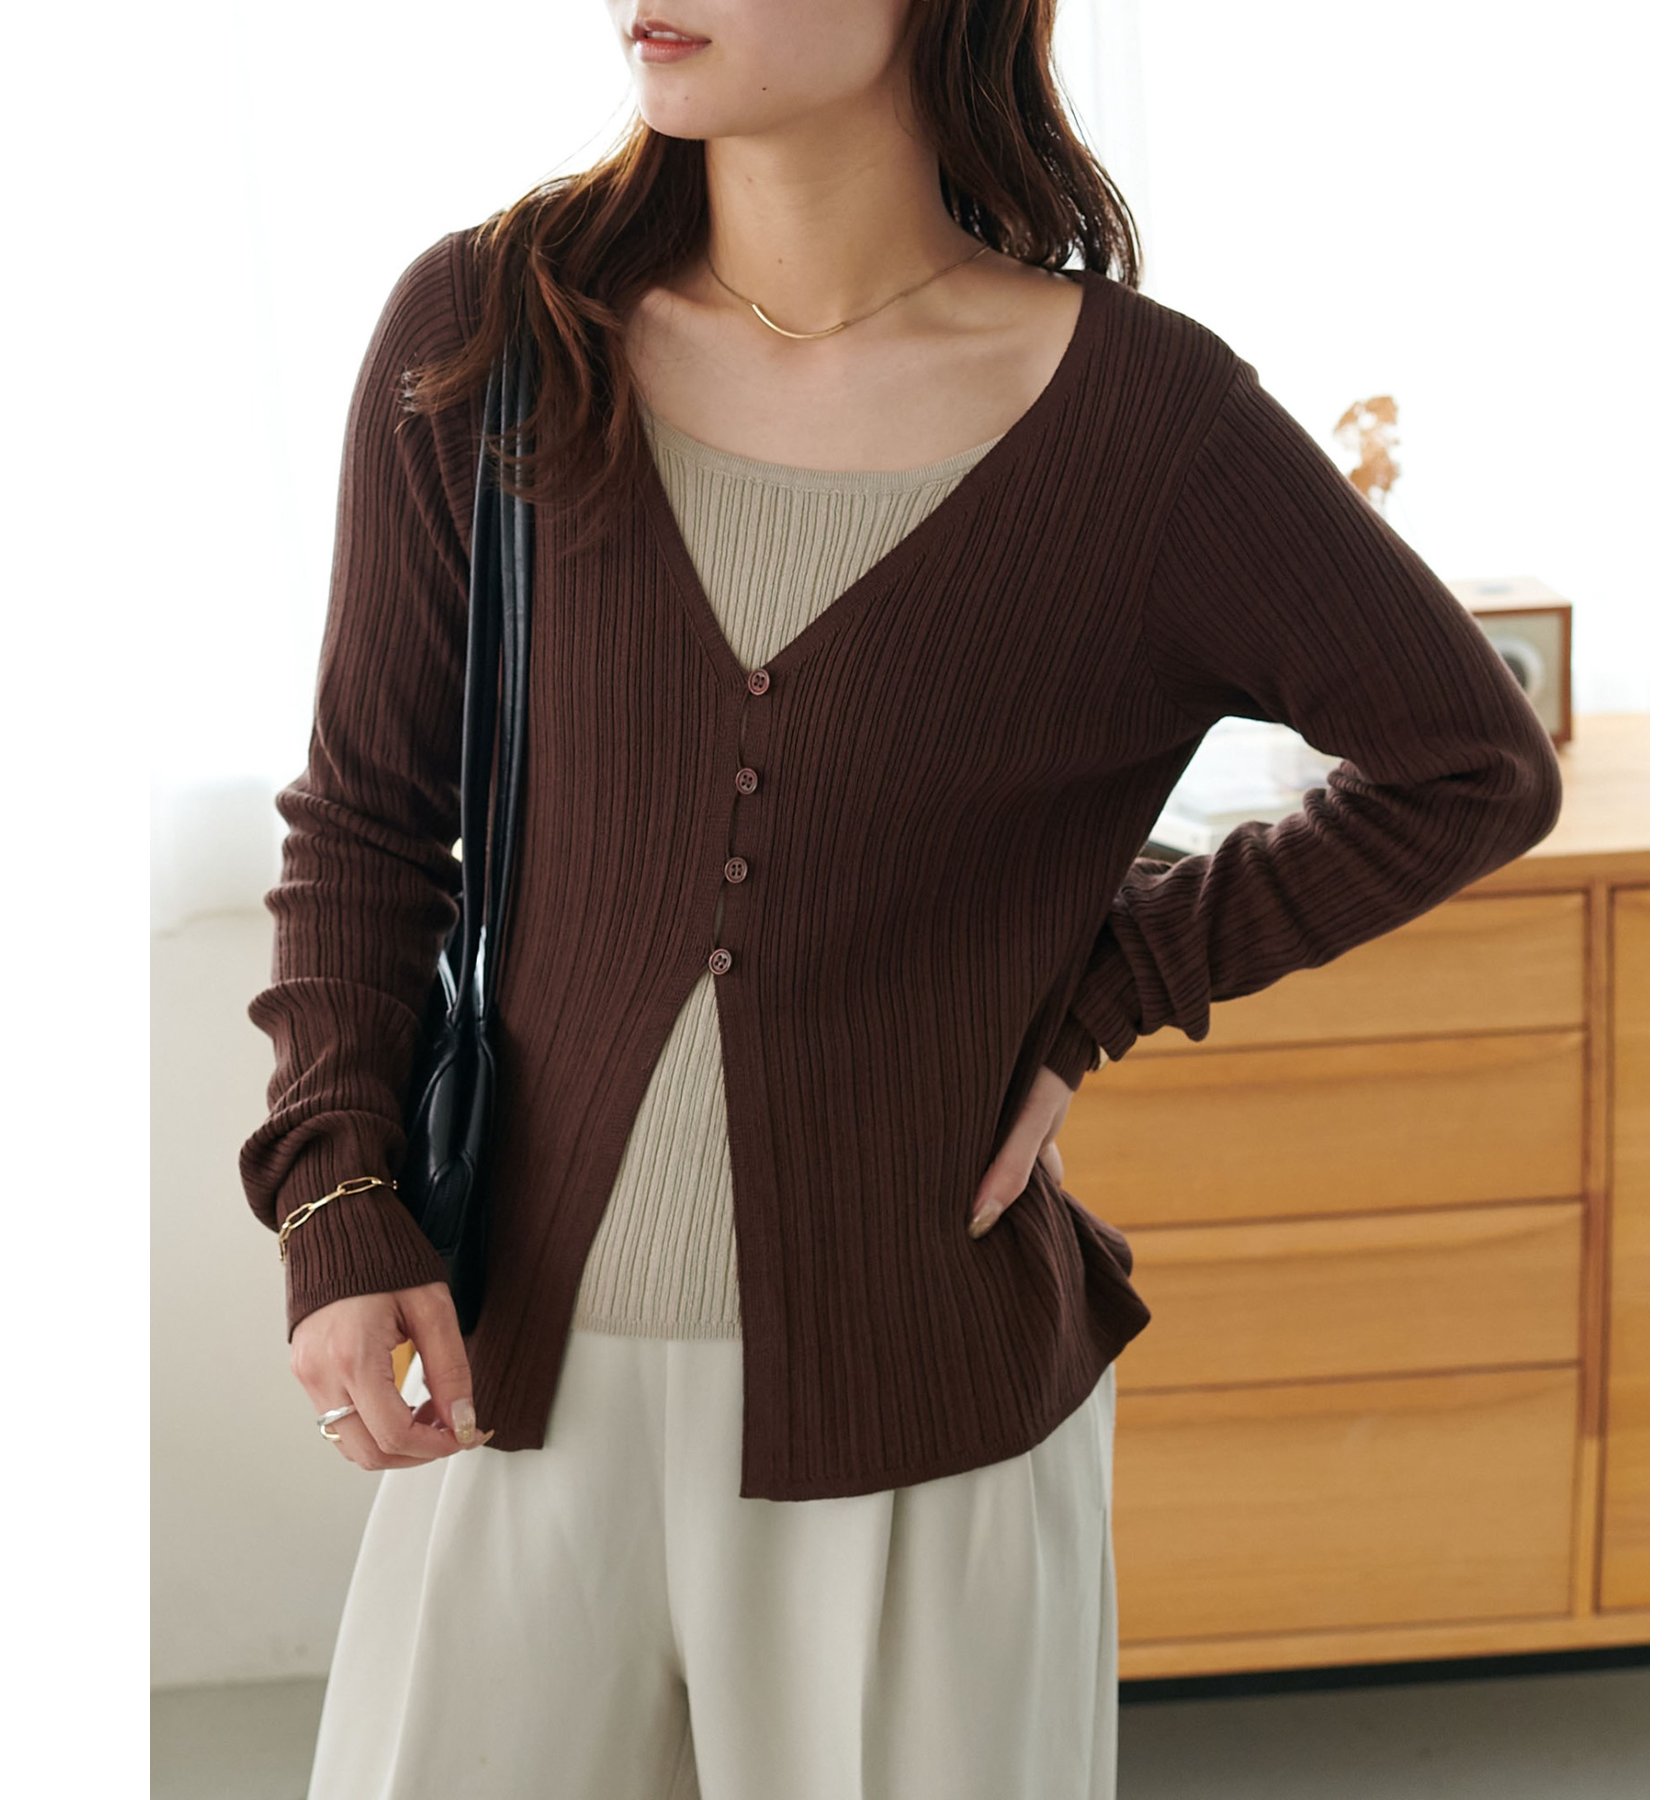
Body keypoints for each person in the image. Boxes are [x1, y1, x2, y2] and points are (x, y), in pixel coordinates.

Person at [238, 3, 1564, 1797]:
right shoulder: (494, 335)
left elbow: (1471, 766)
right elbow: (367, 820)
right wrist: (338, 1201)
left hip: (923, 1420)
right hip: (507, 1391)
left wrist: (1100, 991)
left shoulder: (1147, 425)